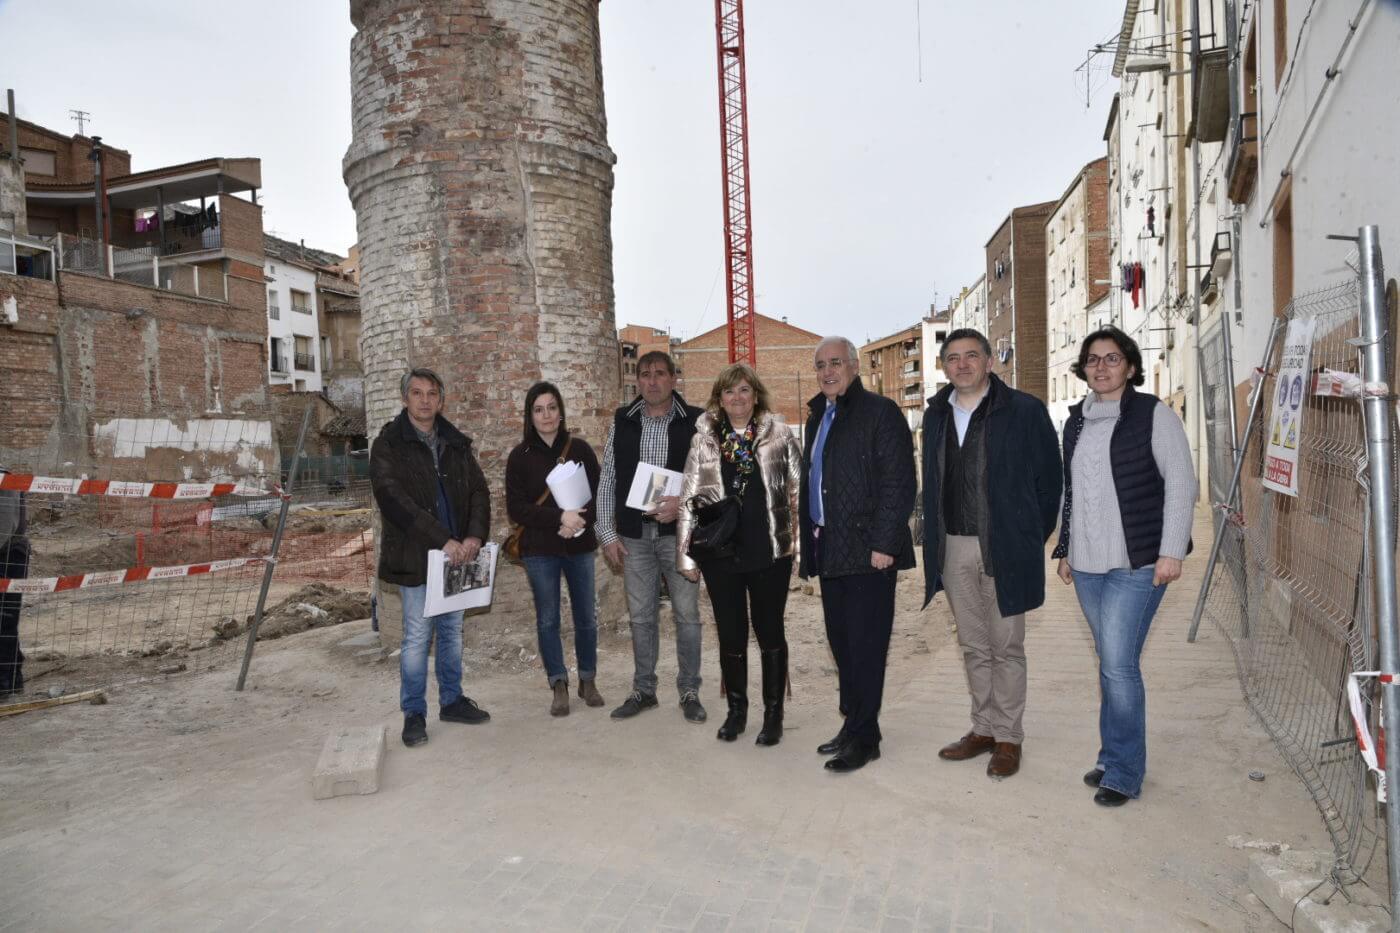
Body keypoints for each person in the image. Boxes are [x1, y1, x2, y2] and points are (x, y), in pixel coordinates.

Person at [1052, 327, 1196, 807]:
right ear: (1084, 370)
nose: (1102, 367)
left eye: (1112, 359)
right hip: (1089, 566)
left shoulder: (1155, 415)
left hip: (1138, 561)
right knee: (1113, 664)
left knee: (1116, 666)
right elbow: (1071, 492)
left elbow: (1180, 483)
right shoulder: (1075, 423)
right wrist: (1066, 547)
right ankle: (1113, 756)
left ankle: (1125, 772)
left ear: (1130, 366)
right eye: (1093, 360)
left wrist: (1171, 550)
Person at [921, 328, 1062, 781]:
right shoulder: (937, 415)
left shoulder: (1023, 410)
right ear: (944, 366)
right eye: (953, 358)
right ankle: (982, 728)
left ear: (988, 362)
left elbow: (1049, 483)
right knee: (973, 645)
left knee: (1007, 645)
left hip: (1005, 546)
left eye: (971, 356)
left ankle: (1008, 737)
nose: (961, 365)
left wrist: (1026, 536)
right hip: (954, 546)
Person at [798, 337, 917, 773]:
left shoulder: (880, 414)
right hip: (830, 548)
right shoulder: (820, 416)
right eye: (820, 365)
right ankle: (856, 725)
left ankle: (865, 739)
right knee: (841, 643)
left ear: (853, 366)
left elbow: (899, 483)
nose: (828, 371)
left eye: (835, 363)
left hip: (869, 552)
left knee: (866, 647)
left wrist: (885, 544)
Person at [676, 363, 803, 746]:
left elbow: (798, 493)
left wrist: (797, 548)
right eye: (729, 392)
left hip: (769, 552)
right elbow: (687, 497)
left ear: (756, 395)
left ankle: (773, 716)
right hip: (720, 555)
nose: (737, 398)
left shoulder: (779, 436)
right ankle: (736, 713)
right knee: (731, 636)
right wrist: (686, 556)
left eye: (744, 390)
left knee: (770, 633)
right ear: (719, 397)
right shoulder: (704, 440)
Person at [371, 367, 492, 748]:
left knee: (453, 632)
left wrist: (473, 534)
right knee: (417, 636)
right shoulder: (388, 444)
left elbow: (478, 491)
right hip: (418, 556)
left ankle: (453, 700)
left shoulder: (454, 442)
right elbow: (395, 502)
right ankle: (414, 713)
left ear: (441, 400)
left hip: (457, 556)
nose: (425, 400)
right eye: (417, 393)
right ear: (405, 398)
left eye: (432, 394)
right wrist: (443, 540)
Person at [596, 351, 708, 723]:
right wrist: (608, 533)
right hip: (635, 537)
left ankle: (689, 689)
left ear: (673, 378)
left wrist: (685, 505)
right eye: (645, 375)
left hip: (680, 535)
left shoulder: (695, 421)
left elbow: (709, 480)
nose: (652, 381)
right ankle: (644, 690)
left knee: (687, 615)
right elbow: (608, 478)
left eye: (660, 374)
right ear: (637, 380)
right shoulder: (623, 421)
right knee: (641, 617)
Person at [506, 382, 604, 717]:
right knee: (548, 619)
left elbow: (599, 496)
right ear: (530, 416)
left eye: (551, 407)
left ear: (560, 411)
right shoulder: (519, 457)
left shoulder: (581, 450)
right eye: (538, 409)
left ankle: (587, 679)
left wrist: (577, 521)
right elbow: (517, 508)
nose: (546, 415)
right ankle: (558, 683)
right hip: (540, 549)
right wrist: (558, 518)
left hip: (579, 545)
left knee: (586, 618)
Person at [0, 486, 28, 699]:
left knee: (4, 620)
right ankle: (13, 675)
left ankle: (5, 682)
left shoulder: (4, 479)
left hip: (9, 554)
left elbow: (5, 525)